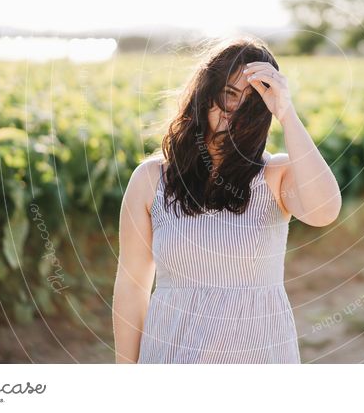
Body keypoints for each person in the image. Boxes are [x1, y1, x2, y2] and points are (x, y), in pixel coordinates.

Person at [112, 37, 342, 364]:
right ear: (205, 95)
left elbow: (325, 211)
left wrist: (287, 113)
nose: (234, 112)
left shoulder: (275, 176)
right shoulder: (151, 180)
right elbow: (132, 287)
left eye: (252, 103)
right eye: (228, 95)